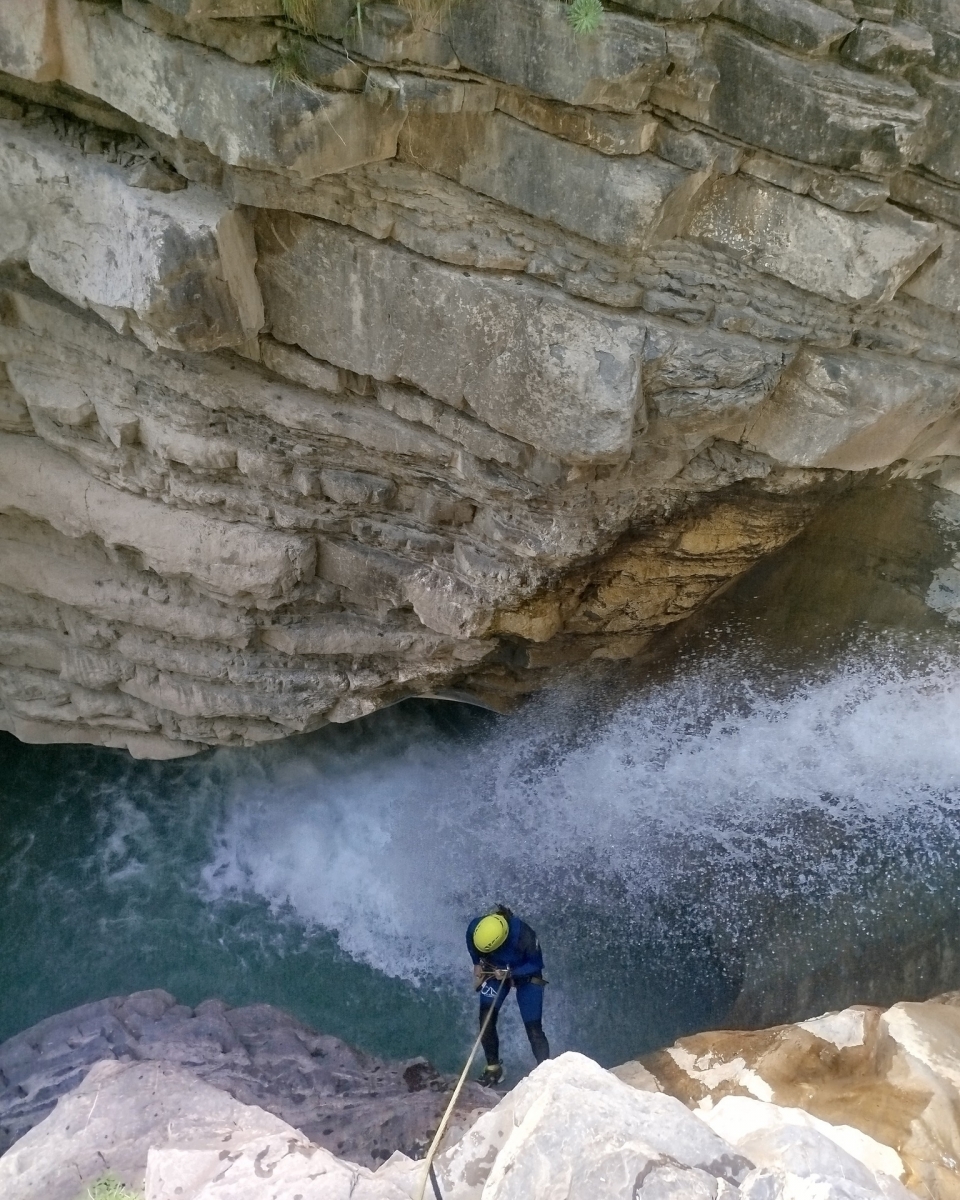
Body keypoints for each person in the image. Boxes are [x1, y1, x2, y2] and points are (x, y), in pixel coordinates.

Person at [466, 904, 550, 1086]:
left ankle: (546, 1075)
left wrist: (510, 974)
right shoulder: (476, 928)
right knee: (485, 1020)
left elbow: (536, 964)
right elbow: (471, 943)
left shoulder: (525, 936)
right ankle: (494, 1069)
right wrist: (477, 963)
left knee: (534, 1029)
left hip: (527, 977)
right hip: (495, 971)